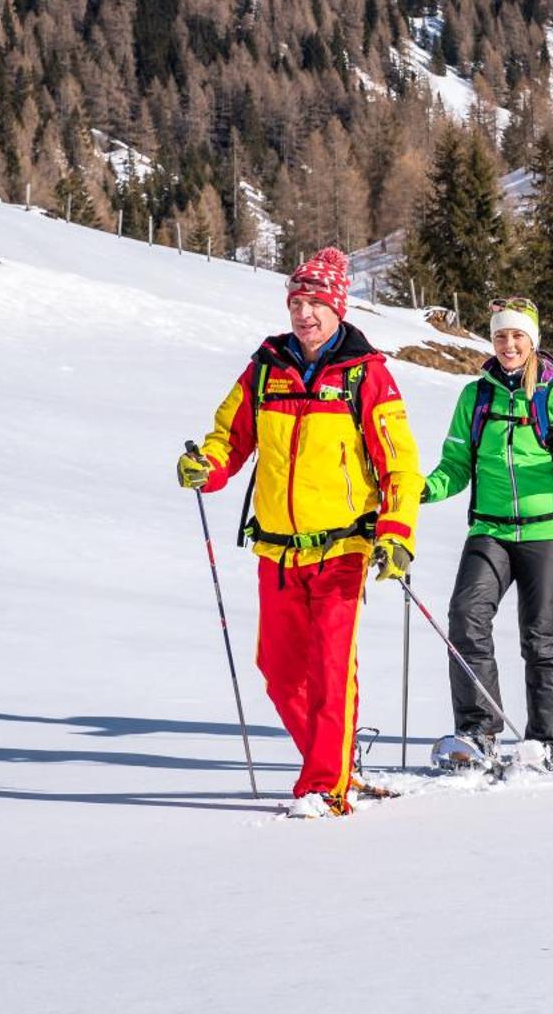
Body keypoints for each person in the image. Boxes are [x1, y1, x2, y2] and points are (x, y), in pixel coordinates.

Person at [177, 247, 420, 818]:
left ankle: (325, 787)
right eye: (297, 302)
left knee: (333, 668)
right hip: (277, 550)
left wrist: (397, 531)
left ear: (338, 308)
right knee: (281, 672)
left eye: (315, 303)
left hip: (342, 548)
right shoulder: (265, 368)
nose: (304, 314)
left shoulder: (367, 375)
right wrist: (207, 467)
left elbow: (400, 465)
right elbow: (228, 436)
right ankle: (333, 762)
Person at [422, 297, 553, 769]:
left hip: (548, 530)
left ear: (532, 341)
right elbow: (456, 466)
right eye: (500, 335)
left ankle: (549, 744)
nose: (508, 344)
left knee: (540, 636)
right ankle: (479, 732)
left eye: (517, 335)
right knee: (465, 617)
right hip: (490, 530)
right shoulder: (475, 397)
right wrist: (419, 491)